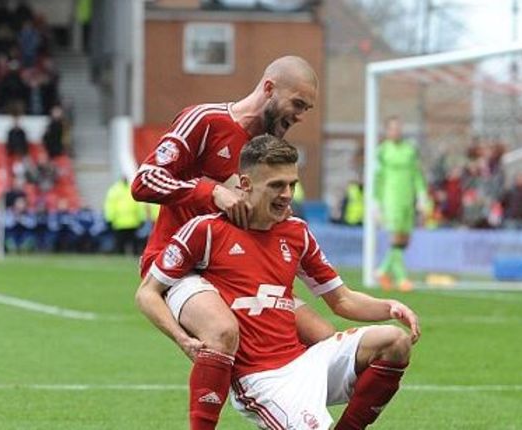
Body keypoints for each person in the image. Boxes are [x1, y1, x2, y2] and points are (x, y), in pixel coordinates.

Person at [136, 135, 420, 430]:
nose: (287, 194)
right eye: (276, 185)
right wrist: (182, 339)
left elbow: (342, 300)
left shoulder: (297, 233)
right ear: (245, 184)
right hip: (264, 380)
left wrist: (390, 307)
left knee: (394, 341)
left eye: (291, 185)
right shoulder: (206, 231)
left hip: (307, 361)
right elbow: (147, 294)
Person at [130, 55, 335, 429]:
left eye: (307, 108)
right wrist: (212, 192)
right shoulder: (206, 121)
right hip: (180, 266)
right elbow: (143, 181)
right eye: (298, 104)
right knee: (222, 332)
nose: (301, 115)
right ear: (270, 89)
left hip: (240, 272)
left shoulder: (268, 151)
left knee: (325, 341)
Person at [374, 116, 428, 291]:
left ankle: (383, 270)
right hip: (391, 199)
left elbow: (417, 174)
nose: (396, 131)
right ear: (387, 131)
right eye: (392, 128)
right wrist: (376, 202)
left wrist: (421, 194)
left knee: (404, 240)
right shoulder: (382, 151)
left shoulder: (409, 150)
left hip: (408, 199)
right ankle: (402, 278)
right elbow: (378, 178)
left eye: (398, 128)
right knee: (396, 238)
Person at [103, 177, 145, 255]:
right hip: (120, 223)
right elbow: (110, 206)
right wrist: (109, 219)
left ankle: (130, 257)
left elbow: (139, 205)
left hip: (132, 222)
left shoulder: (118, 189)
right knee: (120, 244)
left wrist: (141, 218)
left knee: (133, 244)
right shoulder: (115, 190)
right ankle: (120, 259)